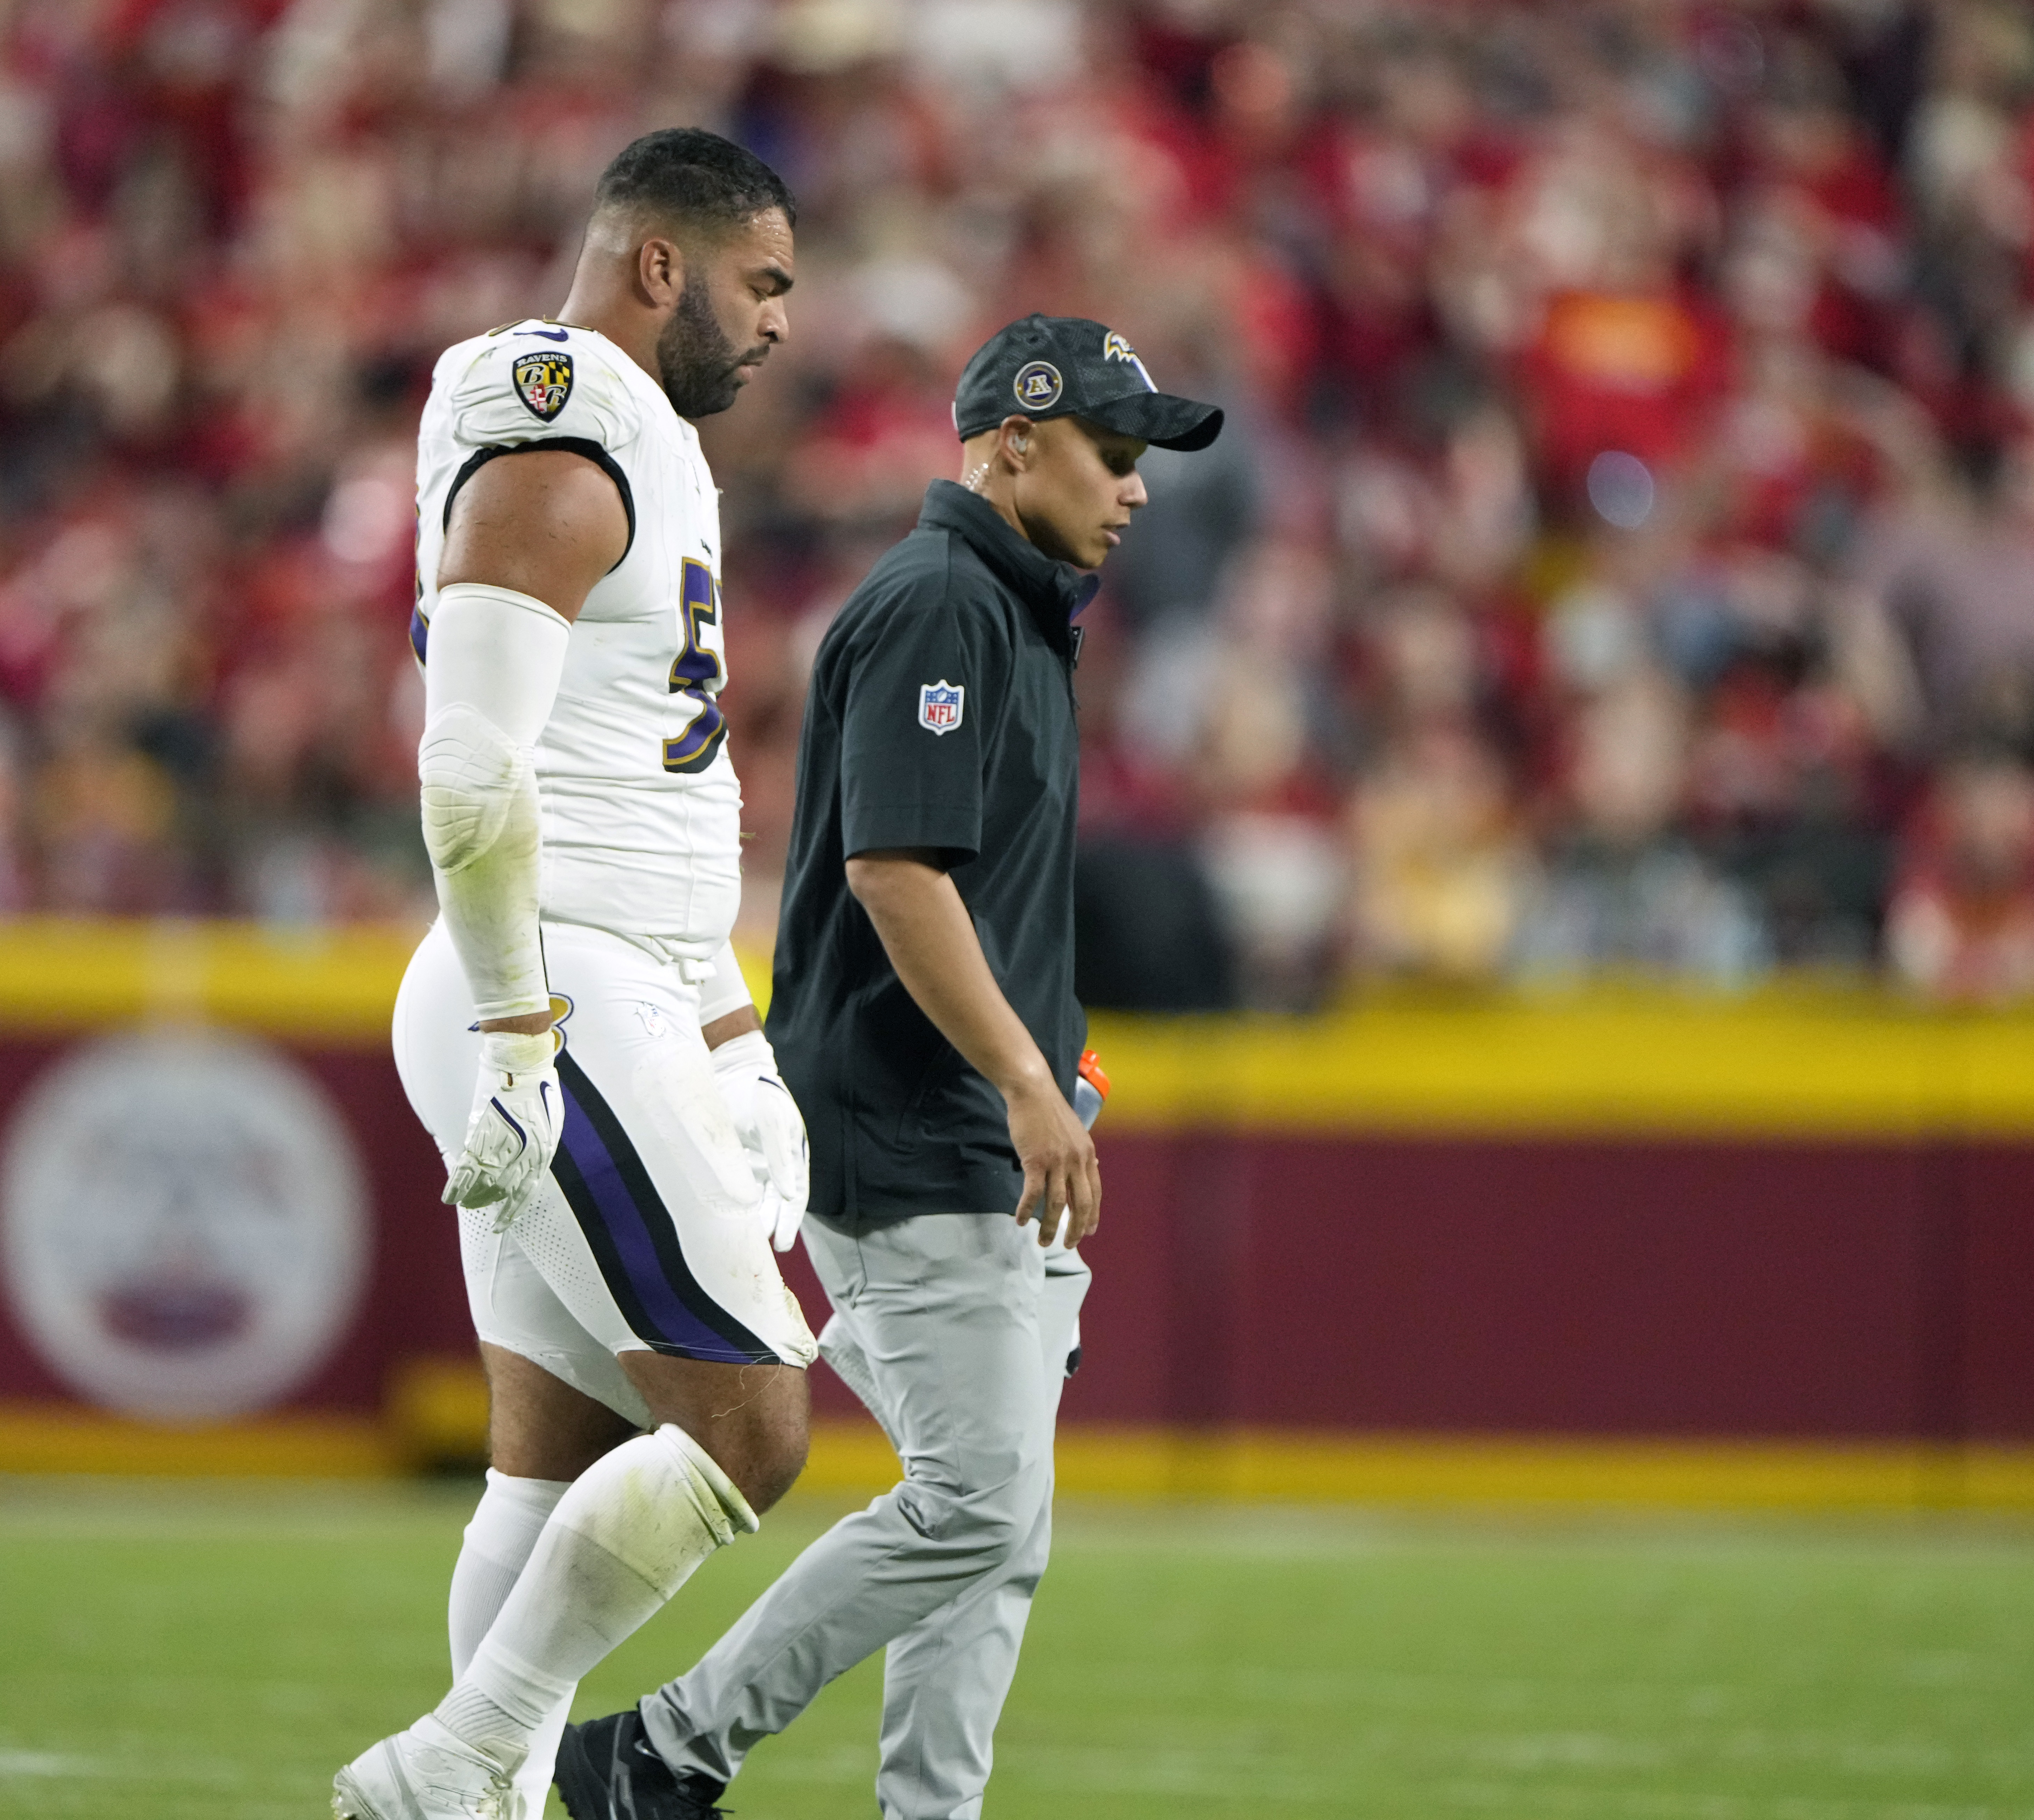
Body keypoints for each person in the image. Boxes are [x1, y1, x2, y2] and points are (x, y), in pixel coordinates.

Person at [555, 315, 1222, 1820]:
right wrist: (1026, 1081)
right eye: (1115, 454)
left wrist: (1054, 1059)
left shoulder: (1013, 607)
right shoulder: (941, 605)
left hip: (967, 1121)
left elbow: (974, 896)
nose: (1135, 488)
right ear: (1009, 444)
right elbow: (898, 876)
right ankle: (661, 1750)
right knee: (979, 1500)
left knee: (999, 1520)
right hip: (912, 1128)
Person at [333, 128, 818, 1820]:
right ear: (660, 263)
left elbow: (648, 788)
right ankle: (459, 1765)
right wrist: (524, 1028)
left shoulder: (655, 443)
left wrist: (737, 1038)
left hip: (609, 977)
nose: (778, 324)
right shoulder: (565, 405)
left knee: (556, 1462)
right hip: (542, 986)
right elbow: (469, 768)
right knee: (752, 1428)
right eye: (760, 283)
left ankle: (489, 1797)